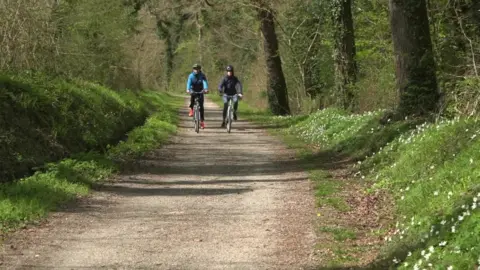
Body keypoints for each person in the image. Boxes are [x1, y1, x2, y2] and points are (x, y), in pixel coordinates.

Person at [186, 63, 209, 129]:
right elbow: (188, 82)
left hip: (201, 90)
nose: (196, 70)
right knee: (192, 98)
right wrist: (188, 89)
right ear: (193, 69)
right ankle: (191, 109)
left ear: (199, 69)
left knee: (201, 107)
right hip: (193, 89)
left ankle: (202, 122)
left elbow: (204, 82)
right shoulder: (191, 76)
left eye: (197, 69)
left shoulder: (202, 75)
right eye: (195, 69)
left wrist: (206, 89)